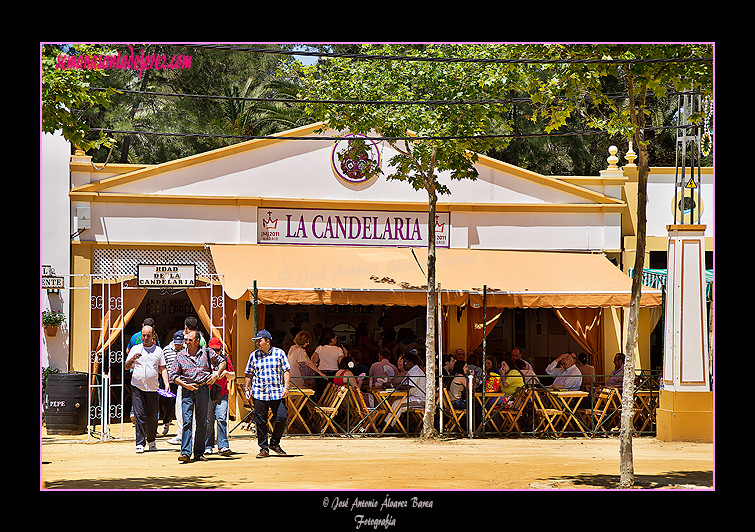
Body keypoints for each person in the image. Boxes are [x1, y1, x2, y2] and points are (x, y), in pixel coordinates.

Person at [169, 329, 226, 463]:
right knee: (187, 421)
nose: (187, 342)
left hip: (203, 388)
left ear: (197, 341)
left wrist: (216, 374)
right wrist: (184, 385)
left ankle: (199, 452)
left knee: (202, 421)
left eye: (189, 340)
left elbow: (222, 362)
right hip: (187, 390)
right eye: (186, 340)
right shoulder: (181, 355)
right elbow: (173, 375)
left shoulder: (207, 352)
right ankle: (185, 452)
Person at [244, 329, 291, 458]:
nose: (257, 343)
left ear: (268, 341)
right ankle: (263, 448)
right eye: (256, 341)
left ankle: (274, 443)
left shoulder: (279, 353)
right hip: (259, 392)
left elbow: (286, 370)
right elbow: (249, 373)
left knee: (282, 416)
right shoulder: (254, 355)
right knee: (260, 421)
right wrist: (246, 388)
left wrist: (286, 387)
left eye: (260, 341)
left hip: (277, 392)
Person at [124, 325, 170, 453]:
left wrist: (166, 383)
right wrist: (133, 358)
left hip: (153, 388)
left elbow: (163, 368)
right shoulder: (135, 349)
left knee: (152, 416)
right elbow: (126, 367)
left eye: (148, 335)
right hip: (137, 386)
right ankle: (140, 443)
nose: (145, 338)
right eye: (143, 335)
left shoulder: (158, 351)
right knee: (139, 415)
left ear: (153, 336)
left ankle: (151, 440)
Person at [205, 337, 235, 457]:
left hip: (222, 393)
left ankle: (223, 445)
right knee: (208, 421)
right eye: (213, 350)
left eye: (217, 350)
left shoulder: (225, 360)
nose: (215, 353)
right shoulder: (205, 360)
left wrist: (227, 373)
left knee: (222, 418)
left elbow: (233, 375)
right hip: (207, 394)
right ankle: (208, 445)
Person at [384, 352, 426, 430]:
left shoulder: (416, 371)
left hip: (420, 399)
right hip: (412, 397)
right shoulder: (411, 371)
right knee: (395, 401)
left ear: (411, 363)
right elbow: (401, 384)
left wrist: (391, 386)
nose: (404, 365)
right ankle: (387, 424)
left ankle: (388, 426)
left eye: (405, 363)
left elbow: (408, 386)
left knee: (398, 404)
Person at [158, 330, 182, 437]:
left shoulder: (185, 350)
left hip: (182, 382)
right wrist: (166, 382)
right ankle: (167, 421)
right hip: (170, 382)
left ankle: (181, 429)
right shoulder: (166, 350)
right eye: (177, 343)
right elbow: (162, 367)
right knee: (168, 403)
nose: (178, 345)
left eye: (180, 343)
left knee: (181, 405)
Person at [311, 330, 345, 400]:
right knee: (333, 394)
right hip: (333, 373)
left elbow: (313, 360)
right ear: (332, 339)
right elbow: (341, 363)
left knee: (321, 393)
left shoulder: (320, 348)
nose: (336, 340)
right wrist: (345, 354)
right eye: (335, 338)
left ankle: (320, 408)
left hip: (321, 373)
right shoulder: (338, 349)